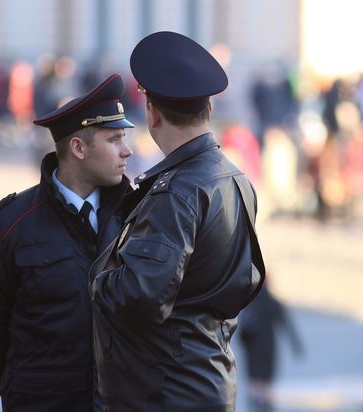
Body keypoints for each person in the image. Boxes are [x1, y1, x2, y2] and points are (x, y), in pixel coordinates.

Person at [90, 31, 266, 411]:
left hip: (165, 389)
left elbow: (138, 296)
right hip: (207, 376)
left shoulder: (177, 191)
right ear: (209, 109)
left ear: (151, 112)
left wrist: (98, 276)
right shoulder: (233, 177)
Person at [0, 73, 134, 411]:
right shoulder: (6, 227)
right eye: (114, 140)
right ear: (78, 148)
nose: (127, 151)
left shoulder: (138, 217)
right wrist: (25, 382)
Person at [239, 279, 303, 412]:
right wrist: (295, 345)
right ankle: (264, 401)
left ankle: (256, 400)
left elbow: (240, 324)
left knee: (254, 374)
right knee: (266, 376)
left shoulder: (249, 303)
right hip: (268, 344)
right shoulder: (273, 303)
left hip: (252, 346)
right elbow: (286, 325)